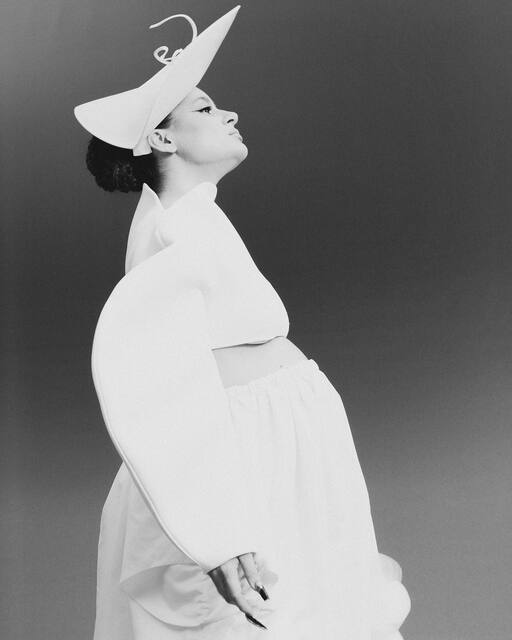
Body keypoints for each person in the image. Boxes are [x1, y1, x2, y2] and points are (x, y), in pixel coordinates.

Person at [74, 5, 412, 639]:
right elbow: (142, 376)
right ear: (164, 141)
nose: (228, 114)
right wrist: (217, 535)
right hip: (243, 459)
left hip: (276, 447)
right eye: (205, 109)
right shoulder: (174, 230)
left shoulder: (194, 218)